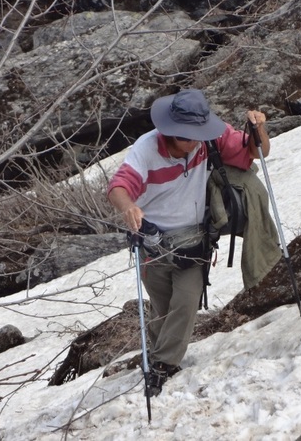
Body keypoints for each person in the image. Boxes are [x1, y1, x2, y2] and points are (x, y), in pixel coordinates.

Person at [107, 89, 270, 395]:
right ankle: (160, 358)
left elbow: (254, 152)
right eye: (185, 137)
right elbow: (119, 185)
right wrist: (128, 207)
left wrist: (258, 127)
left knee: (185, 302)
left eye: (197, 135)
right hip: (152, 242)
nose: (193, 143)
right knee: (163, 308)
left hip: (195, 240)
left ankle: (161, 367)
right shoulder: (146, 149)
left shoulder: (210, 138)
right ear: (169, 130)